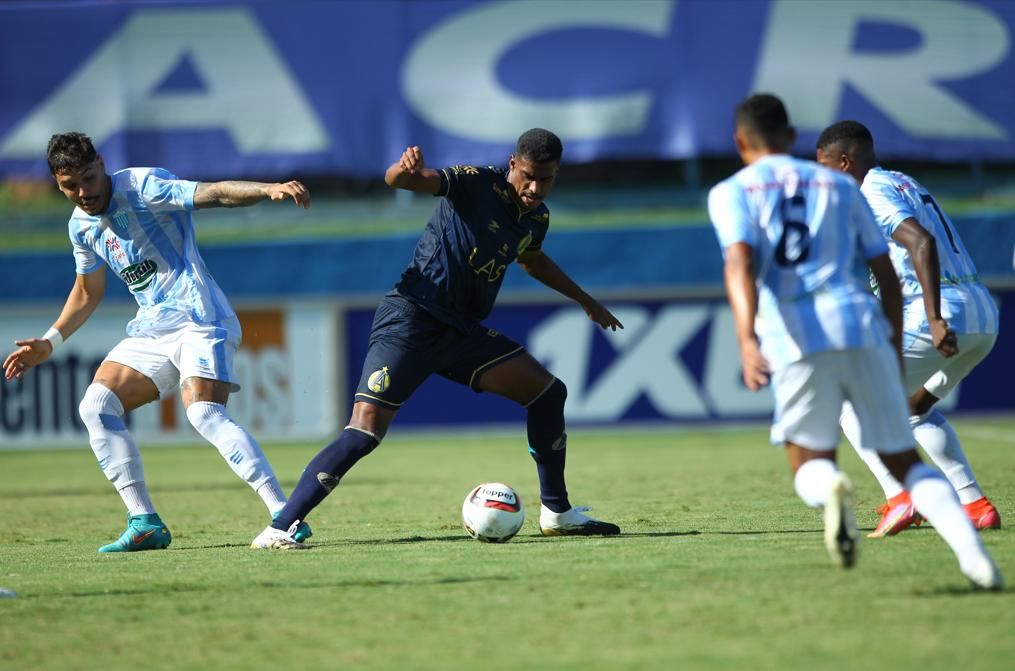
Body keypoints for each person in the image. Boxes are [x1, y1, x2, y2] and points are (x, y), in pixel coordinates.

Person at [252, 128, 623, 549]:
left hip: (461, 332)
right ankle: (279, 528)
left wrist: (585, 300)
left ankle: (557, 512)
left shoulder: (536, 218)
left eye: (548, 179)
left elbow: (531, 259)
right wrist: (402, 171)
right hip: (412, 319)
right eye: (529, 175)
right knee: (365, 431)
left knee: (547, 393)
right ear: (513, 164)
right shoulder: (475, 182)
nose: (535, 188)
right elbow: (405, 181)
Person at [708, 94, 1001, 589]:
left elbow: (739, 264)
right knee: (908, 438)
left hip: (800, 336)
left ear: (740, 142)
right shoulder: (841, 186)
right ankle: (976, 553)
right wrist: (887, 338)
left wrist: (746, 339)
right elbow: (885, 271)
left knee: (812, 461)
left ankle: (880, 493)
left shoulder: (732, 192)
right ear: (790, 137)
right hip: (878, 322)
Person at [2, 132, 313, 552]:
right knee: (96, 406)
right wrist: (50, 341)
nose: (83, 192)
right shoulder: (81, 226)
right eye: (69, 186)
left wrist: (268, 188)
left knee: (204, 412)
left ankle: (286, 517)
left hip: (200, 318)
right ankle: (144, 521)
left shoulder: (143, 187)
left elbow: (217, 193)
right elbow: (87, 292)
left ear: (101, 163)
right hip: (152, 329)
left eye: (89, 178)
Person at [815, 121, 1001, 538]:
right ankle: (975, 505)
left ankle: (901, 497)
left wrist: (935, 319)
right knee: (915, 409)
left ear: (845, 162)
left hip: (938, 312)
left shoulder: (869, 191)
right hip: (983, 315)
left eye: (826, 168)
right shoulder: (903, 181)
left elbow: (920, 242)